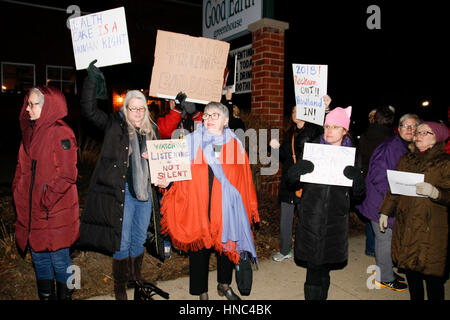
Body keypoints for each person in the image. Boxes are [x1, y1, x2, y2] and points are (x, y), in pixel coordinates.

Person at [78, 62, 162, 300]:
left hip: (144, 193)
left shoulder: (151, 131)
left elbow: (166, 161)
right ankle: (119, 288)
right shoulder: (114, 126)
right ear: (125, 109)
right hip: (121, 193)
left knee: (138, 239)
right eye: (132, 108)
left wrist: (155, 163)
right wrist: (92, 81)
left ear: (146, 111)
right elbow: (89, 111)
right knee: (122, 241)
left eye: (141, 109)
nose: (137, 113)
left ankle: (136, 280)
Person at [160, 101, 260, 300]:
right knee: (199, 249)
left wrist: (246, 207)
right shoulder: (189, 141)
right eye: (206, 115)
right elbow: (173, 168)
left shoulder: (235, 145)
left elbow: (244, 179)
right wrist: (162, 173)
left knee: (226, 246)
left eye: (215, 115)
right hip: (198, 204)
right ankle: (201, 292)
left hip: (225, 208)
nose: (209, 119)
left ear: (226, 120)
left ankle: (224, 284)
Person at [287, 106, 365, 300]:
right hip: (311, 218)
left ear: (345, 130)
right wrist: (296, 172)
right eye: (327, 126)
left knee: (324, 270)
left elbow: (358, 196)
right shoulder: (313, 149)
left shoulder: (352, 155)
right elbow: (292, 181)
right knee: (313, 270)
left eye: (335, 127)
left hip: (335, 221)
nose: (329, 131)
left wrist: (358, 181)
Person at [12, 86, 79, 300]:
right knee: (39, 260)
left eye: (33, 104)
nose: (28, 109)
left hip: (53, 213)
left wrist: (45, 200)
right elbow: (22, 169)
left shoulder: (61, 132)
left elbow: (68, 174)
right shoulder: (30, 133)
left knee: (61, 261)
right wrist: (19, 193)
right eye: (28, 104)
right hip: (33, 213)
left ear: (47, 106)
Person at [379, 121, 449, 300]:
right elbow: (394, 189)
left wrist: (436, 192)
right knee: (412, 274)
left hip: (431, 229)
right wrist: (385, 211)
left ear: (437, 138)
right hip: (407, 224)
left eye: (426, 133)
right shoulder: (407, 159)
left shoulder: (445, 163)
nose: (418, 135)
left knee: (433, 279)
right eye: (418, 131)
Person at [356, 113, 420, 291]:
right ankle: (384, 277)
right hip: (381, 202)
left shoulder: (410, 148)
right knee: (385, 239)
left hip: (392, 202)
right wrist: (396, 197)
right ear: (398, 129)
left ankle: (386, 271)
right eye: (405, 126)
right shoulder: (389, 147)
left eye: (413, 126)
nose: (409, 129)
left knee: (387, 239)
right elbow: (378, 176)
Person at [269, 96, 330, 262]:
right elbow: (284, 157)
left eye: (298, 109)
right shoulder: (291, 134)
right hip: (290, 182)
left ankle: (309, 250)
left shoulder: (315, 130)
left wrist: (325, 110)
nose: (295, 112)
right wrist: (275, 148)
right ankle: (285, 250)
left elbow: (328, 131)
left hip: (308, 183)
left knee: (308, 219)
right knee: (286, 220)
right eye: (293, 110)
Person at [358, 106, 395, 257]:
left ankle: (370, 247)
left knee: (370, 214)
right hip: (380, 180)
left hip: (366, 177)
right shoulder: (389, 139)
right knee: (381, 214)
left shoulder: (366, 135)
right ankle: (379, 252)